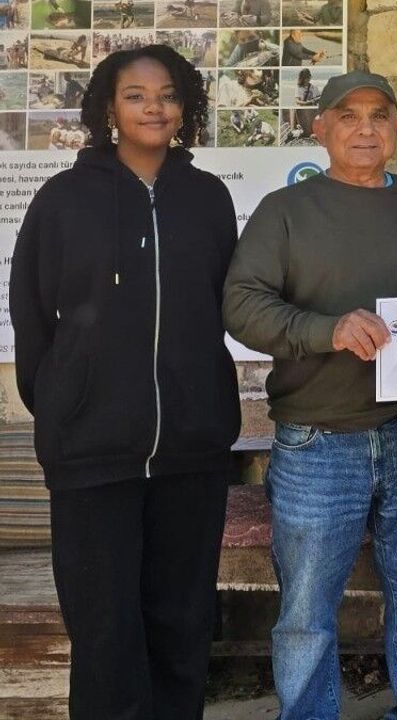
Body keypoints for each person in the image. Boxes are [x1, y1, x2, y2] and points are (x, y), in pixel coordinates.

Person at [224, 70, 397, 720]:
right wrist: (327, 331)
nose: (366, 129)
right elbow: (242, 306)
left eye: (379, 116)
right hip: (317, 441)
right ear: (321, 128)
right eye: (349, 115)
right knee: (306, 615)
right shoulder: (285, 211)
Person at [10, 44, 238, 720]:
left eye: (167, 95)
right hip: (91, 455)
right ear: (109, 107)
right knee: (105, 634)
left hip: (191, 451)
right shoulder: (63, 200)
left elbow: (224, 303)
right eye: (136, 95)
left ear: (185, 106)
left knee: (182, 624)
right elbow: (31, 314)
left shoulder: (208, 198)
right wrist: (66, 404)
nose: (153, 108)